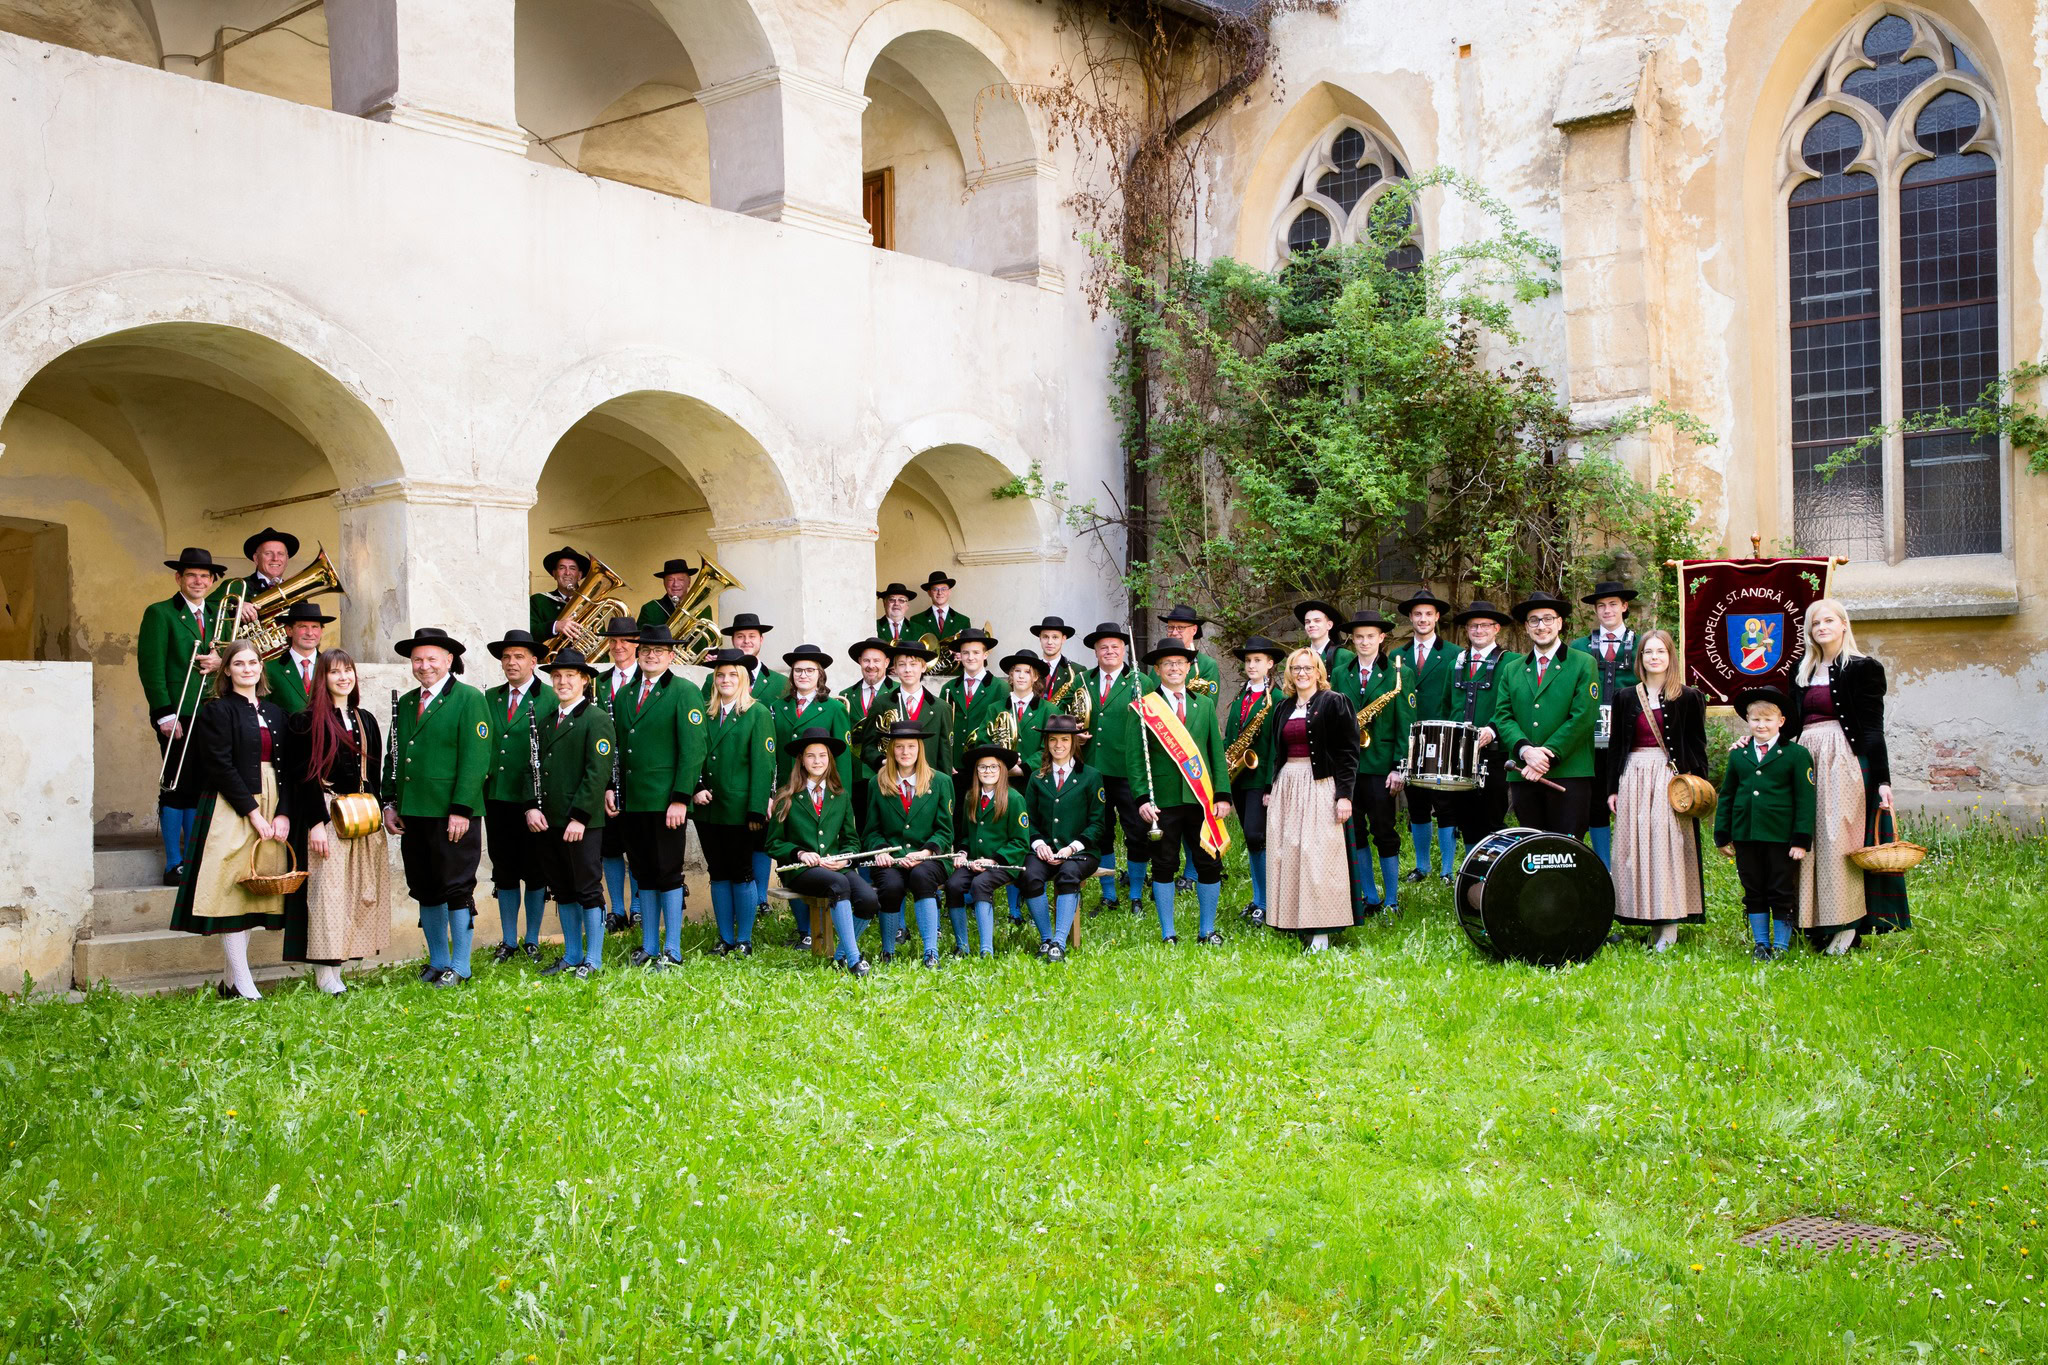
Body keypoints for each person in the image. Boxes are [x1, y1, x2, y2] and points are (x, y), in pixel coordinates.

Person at [167, 638, 290, 999]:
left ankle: (231, 981)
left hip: (272, 803)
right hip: (232, 806)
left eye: (253, 663)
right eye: (239, 664)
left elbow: (288, 770)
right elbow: (218, 765)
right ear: (227, 671)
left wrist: (282, 813)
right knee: (231, 891)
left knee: (253, 890)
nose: (247, 669)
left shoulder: (275, 712)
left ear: (261, 669)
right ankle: (244, 980)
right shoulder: (216, 711)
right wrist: (252, 813)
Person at [1787, 596, 1906, 951]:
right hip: (1806, 758)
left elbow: (1872, 729)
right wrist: (1754, 743)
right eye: (1815, 623)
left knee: (1840, 841)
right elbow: (1791, 724)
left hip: (1844, 759)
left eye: (1828, 621)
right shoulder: (1801, 670)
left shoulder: (1863, 667)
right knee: (1809, 838)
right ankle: (1815, 924)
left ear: (1843, 624)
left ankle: (1847, 927)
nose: (1821, 628)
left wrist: (1883, 780)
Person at [381, 626, 491, 987]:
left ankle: (460, 965)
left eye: (431, 658)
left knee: (456, 887)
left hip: (452, 813)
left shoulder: (469, 698)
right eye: (417, 659)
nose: (424, 665)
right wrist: (390, 802)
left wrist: (461, 808)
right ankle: (438, 960)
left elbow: (476, 759)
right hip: (415, 812)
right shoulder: (409, 701)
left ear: (448, 660)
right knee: (425, 886)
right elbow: (394, 755)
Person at [281, 648, 390, 993]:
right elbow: (304, 776)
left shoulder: (366, 719)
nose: (343, 677)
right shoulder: (304, 720)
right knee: (327, 895)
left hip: (361, 817)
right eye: (335, 672)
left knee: (355, 893)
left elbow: (375, 773)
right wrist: (314, 823)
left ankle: (340, 967)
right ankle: (324, 973)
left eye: (348, 671)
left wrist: (380, 810)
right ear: (322, 679)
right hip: (326, 815)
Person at [612, 622, 708, 967]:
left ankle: (673, 949)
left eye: (659, 651)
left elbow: (693, 748)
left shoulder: (684, 691)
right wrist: (614, 790)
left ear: (671, 655)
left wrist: (681, 797)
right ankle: (650, 945)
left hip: (668, 802)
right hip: (634, 802)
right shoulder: (624, 694)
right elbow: (621, 750)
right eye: (646, 650)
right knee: (643, 872)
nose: (651, 656)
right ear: (638, 654)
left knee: (668, 872)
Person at [1604, 629, 1707, 949]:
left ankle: (1671, 925)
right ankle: (1651, 920)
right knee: (1637, 850)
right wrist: (1612, 788)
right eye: (1648, 652)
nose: (1654, 657)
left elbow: (1696, 745)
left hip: (1669, 780)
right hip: (1634, 776)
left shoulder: (1688, 696)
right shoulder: (1624, 696)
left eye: (1660, 651)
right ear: (1640, 659)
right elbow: (1616, 745)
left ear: (1670, 656)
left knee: (1667, 847)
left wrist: (1697, 788)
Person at [1130, 641, 1232, 945]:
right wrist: (1141, 798)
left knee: (1209, 861)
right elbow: (1135, 757)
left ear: (1189, 668)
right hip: (1163, 800)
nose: (1174, 668)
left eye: (1180, 663)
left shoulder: (1204, 705)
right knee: (1164, 863)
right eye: (1167, 664)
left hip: (1200, 799)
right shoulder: (1145, 706)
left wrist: (1223, 795)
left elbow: (1216, 753)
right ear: (1157, 670)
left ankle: (1207, 931)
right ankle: (1168, 933)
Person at [137, 547, 229, 884]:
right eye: (192, 575)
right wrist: (163, 713)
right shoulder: (160, 613)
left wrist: (222, 662)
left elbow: (243, 654)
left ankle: (194, 858)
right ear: (179, 578)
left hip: (215, 712)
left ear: (211, 581)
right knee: (176, 785)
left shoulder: (221, 613)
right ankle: (174, 862)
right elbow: (151, 667)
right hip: (178, 712)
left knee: (204, 785)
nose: (198, 581)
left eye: (205, 576)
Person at [1262, 648, 1359, 952]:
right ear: (1289, 673)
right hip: (1288, 785)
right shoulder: (1283, 707)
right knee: (1288, 852)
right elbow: (1276, 753)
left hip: (1320, 785)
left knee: (1317, 855)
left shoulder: (1335, 702)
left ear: (1318, 671)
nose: (1302, 673)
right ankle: (1296, 921)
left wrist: (1344, 796)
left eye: (1308, 668)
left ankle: (1321, 931)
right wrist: (1271, 787)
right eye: (1296, 668)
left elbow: (1348, 753)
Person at [531, 649, 617, 979]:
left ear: (584, 679)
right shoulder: (547, 719)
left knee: (587, 887)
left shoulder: (596, 719)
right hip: (550, 819)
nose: (563, 681)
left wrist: (579, 816)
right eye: (557, 676)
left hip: (581, 822)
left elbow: (598, 772)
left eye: (570, 676)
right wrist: (531, 808)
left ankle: (592, 958)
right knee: (563, 888)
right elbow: (534, 767)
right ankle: (571, 953)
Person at [1714, 687, 1814, 961]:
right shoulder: (1739, 754)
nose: (1762, 725)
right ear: (1747, 720)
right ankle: (1761, 943)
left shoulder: (1796, 755)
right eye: (1756, 719)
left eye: (1768, 719)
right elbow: (1728, 795)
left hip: (1780, 837)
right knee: (1753, 888)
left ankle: (1780, 945)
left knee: (1780, 889)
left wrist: (1800, 839)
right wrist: (1722, 834)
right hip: (1746, 834)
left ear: (1781, 721)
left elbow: (1805, 800)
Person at [766, 729, 877, 975]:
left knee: (869, 900)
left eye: (823, 756)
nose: (817, 761)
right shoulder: (786, 796)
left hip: (836, 867)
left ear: (830, 760)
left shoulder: (840, 796)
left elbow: (851, 839)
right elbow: (772, 843)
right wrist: (799, 853)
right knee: (838, 885)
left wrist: (845, 858)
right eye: (811, 756)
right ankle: (854, 960)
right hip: (801, 870)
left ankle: (840, 956)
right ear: (802, 761)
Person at [1492, 593, 1599, 837]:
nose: (1542, 626)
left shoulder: (1583, 663)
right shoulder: (1512, 669)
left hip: (1568, 774)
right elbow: (1503, 715)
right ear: (1527, 628)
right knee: (1532, 851)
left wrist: (1545, 757)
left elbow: (1583, 717)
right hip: (1524, 774)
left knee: (1567, 853)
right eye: (1534, 620)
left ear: (1560, 623)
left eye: (1548, 619)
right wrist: (1526, 751)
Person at [693, 647, 775, 956]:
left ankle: (745, 939)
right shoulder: (705, 712)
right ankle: (725, 937)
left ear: (743, 679)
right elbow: (693, 755)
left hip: (741, 811)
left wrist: (757, 807)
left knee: (741, 872)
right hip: (708, 809)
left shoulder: (756, 712)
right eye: (720, 675)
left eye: (732, 675)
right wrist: (695, 787)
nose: (725, 680)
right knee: (718, 872)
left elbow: (763, 763)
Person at [482, 628, 556, 964]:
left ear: (534, 661)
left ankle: (532, 939)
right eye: (507, 657)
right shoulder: (490, 697)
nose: (512, 662)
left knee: (536, 869)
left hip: (536, 800)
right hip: (497, 797)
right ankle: (508, 940)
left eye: (519, 657)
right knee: (505, 869)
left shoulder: (551, 697)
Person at [1334, 611, 1415, 918]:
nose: (1364, 642)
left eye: (1370, 636)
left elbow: (1406, 723)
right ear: (1352, 640)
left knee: (1385, 830)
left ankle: (1391, 899)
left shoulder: (1400, 673)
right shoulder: (1341, 672)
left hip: (1382, 766)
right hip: (1350, 767)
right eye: (1359, 637)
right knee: (1354, 831)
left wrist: (1399, 767)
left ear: (1382, 639)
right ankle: (1369, 895)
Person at [768, 642, 848, 947]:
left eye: (810, 670)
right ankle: (804, 930)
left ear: (821, 675)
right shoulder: (778, 707)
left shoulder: (834, 709)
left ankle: (824, 928)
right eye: (798, 669)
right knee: (792, 858)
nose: (803, 674)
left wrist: (843, 798)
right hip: (789, 795)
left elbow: (843, 762)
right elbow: (770, 756)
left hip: (825, 795)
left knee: (823, 857)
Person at [1078, 623, 1158, 912]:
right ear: (1095, 651)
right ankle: (1109, 894)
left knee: (1137, 832)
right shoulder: (1082, 681)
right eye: (1103, 647)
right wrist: (1075, 732)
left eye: (1115, 646)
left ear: (1124, 650)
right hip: (1093, 770)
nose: (1109, 651)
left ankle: (1136, 893)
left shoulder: (1141, 682)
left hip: (1128, 770)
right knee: (1101, 833)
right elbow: (1067, 717)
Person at [865, 720, 955, 968]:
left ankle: (930, 952)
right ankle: (888, 951)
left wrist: (925, 852)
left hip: (930, 857)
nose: (905, 752)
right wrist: (882, 849)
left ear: (920, 749)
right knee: (891, 885)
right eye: (900, 747)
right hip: (891, 858)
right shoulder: (877, 782)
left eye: (911, 747)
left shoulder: (941, 782)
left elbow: (945, 830)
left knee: (922, 876)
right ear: (891, 750)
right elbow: (871, 830)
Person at [1569, 581, 1640, 869]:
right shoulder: (1579, 647)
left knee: (1631, 799)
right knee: (1596, 801)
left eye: (1613, 604)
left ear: (1624, 607)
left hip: (1629, 737)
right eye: (1601, 606)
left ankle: (1632, 861)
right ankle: (1603, 865)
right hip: (1590, 739)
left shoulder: (1642, 644)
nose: (1607, 610)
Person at [1392, 588, 1458, 883]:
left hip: (1442, 737)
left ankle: (1447, 869)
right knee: (1415, 802)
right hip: (1409, 738)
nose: (1422, 619)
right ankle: (1422, 866)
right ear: (1410, 617)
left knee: (1444, 803)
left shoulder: (1455, 654)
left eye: (1428, 614)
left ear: (1437, 617)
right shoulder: (1396, 656)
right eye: (1417, 614)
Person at [944, 744, 1030, 957]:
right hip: (974, 861)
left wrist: (992, 860)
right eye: (982, 767)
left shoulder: (1015, 799)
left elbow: (1020, 842)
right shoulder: (970, 797)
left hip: (1003, 862)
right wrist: (962, 853)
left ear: (1002, 770)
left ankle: (986, 949)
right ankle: (962, 946)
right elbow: (964, 834)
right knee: (953, 885)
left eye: (993, 767)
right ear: (976, 771)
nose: (988, 771)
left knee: (980, 884)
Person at [1446, 600, 1517, 855]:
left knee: (1492, 816)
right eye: (1473, 626)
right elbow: (1447, 704)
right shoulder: (1456, 663)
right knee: (1466, 817)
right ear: (1467, 629)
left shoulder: (1512, 663)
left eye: (1484, 625)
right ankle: (1471, 872)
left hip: (1494, 753)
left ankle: (1495, 868)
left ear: (1496, 628)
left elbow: (1514, 705)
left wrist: (1493, 729)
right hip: (1459, 752)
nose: (1478, 630)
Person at [1224, 636, 1283, 924]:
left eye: (1257, 660)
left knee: (1257, 836)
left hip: (1260, 778)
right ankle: (1258, 897)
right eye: (1248, 661)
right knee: (1251, 840)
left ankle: (1266, 901)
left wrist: (1272, 785)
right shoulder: (1240, 698)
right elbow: (1230, 737)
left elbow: (1276, 745)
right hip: (1239, 777)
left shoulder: (1278, 699)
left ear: (1270, 665)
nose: (1251, 665)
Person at [592, 617, 643, 929]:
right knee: (609, 846)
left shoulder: (649, 679)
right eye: (613, 641)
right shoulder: (598, 682)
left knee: (637, 844)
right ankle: (617, 909)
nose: (618, 646)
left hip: (638, 775)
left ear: (637, 644)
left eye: (625, 640)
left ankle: (638, 905)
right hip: (605, 775)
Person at [840, 638, 895, 834]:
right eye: (866, 661)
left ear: (887, 663)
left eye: (877, 660)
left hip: (888, 772)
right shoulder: (845, 695)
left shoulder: (898, 693)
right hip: (856, 775)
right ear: (860, 662)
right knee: (861, 828)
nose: (871, 666)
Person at [882, 638, 954, 773]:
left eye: (913, 664)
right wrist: (882, 761)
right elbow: (869, 746)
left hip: (929, 785)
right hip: (892, 780)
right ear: (895, 668)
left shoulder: (941, 708)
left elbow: (945, 755)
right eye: (902, 664)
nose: (907, 670)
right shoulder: (882, 703)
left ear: (924, 667)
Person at [939, 627, 1003, 774]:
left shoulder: (1000, 688)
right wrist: (946, 761)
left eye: (976, 652)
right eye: (965, 653)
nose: (970, 657)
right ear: (959, 655)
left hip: (986, 766)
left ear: (985, 654)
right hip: (954, 766)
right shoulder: (948, 688)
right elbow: (942, 729)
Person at [212, 527, 299, 626]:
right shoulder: (235, 586)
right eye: (268, 553)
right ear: (256, 558)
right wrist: (236, 606)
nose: (275, 558)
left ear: (287, 559)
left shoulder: (295, 593)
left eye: (280, 554)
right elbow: (205, 608)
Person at [263, 600, 333, 715]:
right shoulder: (269, 669)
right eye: (303, 626)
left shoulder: (331, 666)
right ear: (289, 630)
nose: (310, 633)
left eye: (315, 627)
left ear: (321, 631)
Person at [530, 546, 589, 642]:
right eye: (562, 568)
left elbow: (600, 642)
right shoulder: (538, 601)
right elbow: (528, 632)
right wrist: (555, 626)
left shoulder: (590, 604)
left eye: (572, 568)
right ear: (554, 574)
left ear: (579, 575)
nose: (567, 572)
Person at [1030, 615, 1085, 708]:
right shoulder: (1030, 669)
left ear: (1063, 639)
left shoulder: (1077, 670)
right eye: (1045, 637)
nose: (1050, 642)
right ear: (1040, 638)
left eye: (1055, 637)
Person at [1292, 600, 1355, 678]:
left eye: (1317, 621)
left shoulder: (1344, 656)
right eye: (1307, 622)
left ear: (1329, 625)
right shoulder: (1298, 656)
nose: (1311, 625)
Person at [904, 571, 963, 647]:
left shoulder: (963, 621)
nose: (940, 593)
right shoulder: (916, 620)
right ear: (929, 592)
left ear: (949, 591)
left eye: (944, 589)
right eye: (935, 589)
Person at [638, 558, 697, 629]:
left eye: (681, 579)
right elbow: (639, 639)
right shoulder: (650, 609)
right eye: (670, 580)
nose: (675, 584)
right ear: (664, 583)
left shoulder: (702, 607)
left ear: (689, 582)